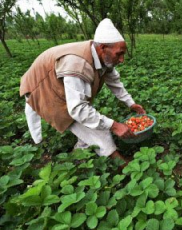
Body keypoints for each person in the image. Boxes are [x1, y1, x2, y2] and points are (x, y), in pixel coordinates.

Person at [19, 18, 144, 167]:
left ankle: (81, 151)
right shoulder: (77, 63)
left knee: (88, 120)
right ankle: (119, 161)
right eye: (119, 54)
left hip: (61, 84)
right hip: (43, 88)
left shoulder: (104, 57)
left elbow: (114, 82)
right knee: (92, 124)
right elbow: (78, 109)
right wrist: (115, 125)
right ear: (103, 48)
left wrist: (131, 103)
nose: (122, 59)